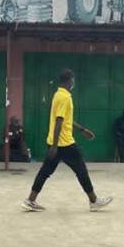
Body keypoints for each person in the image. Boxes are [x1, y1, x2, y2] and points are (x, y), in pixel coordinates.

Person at [21, 69, 113, 212]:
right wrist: (55, 146)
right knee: (81, 170)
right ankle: (94, 201)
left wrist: (82, 130)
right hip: (64, 143)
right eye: (73, 80)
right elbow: (59, 121)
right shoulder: (65, 98)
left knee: (45, 172)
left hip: (55, 142)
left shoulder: (58, 95)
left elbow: (65, 119)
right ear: (70, 80)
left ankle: (30, 200)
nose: (73, 82)